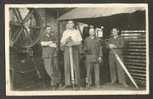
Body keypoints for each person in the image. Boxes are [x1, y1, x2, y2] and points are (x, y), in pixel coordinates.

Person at [60, 20, 82, 88]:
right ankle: (67, 83)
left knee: (76, 65)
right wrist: (66, 40)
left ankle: (77, 83)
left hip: (75, 49)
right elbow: (62, 43)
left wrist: (73, 43)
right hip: (67, 49)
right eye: (68, 23)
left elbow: (80, 42)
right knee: (67, 65)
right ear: (67, 25)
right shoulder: (65, 32)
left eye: (71, 23)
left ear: (73, 24)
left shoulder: (77, 32)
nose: (70, 24)